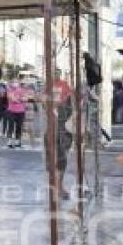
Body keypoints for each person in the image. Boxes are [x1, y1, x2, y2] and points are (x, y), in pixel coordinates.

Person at [50, 70, 74, 200]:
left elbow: (71, 102)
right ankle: (58, 187)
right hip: (57, 128)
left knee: (61, 159)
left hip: (62, 127)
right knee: (58, 159)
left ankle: (59, 187)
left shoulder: (64, 85)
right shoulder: (49, 87)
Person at [5, 80, 26, 149]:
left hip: (21, 111)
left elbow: (25, 98)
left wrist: (18, 99)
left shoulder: (22, 90)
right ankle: (9, 141)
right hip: (11, 111)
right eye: (13, 82)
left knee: (19, 127)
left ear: (18, 83)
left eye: (16, 82)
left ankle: (18, 141)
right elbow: (12, 99)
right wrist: (19, 99)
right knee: (11, 126)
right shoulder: (9, 90)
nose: (15, 83)